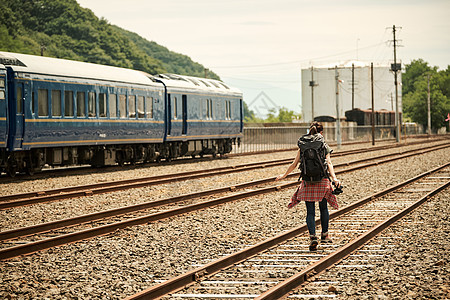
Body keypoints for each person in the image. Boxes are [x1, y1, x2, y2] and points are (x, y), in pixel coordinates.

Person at [276, 121, 340, 251]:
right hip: (322, 180)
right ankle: (325, 235)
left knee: (310, 211)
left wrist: (284, 175)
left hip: (307, 181)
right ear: (321, 132)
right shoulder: (323, 145)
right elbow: (329, 163)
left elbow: (294, 164)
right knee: (323, 208)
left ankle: (313, 237)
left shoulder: (303, 145)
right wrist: (334, 178)